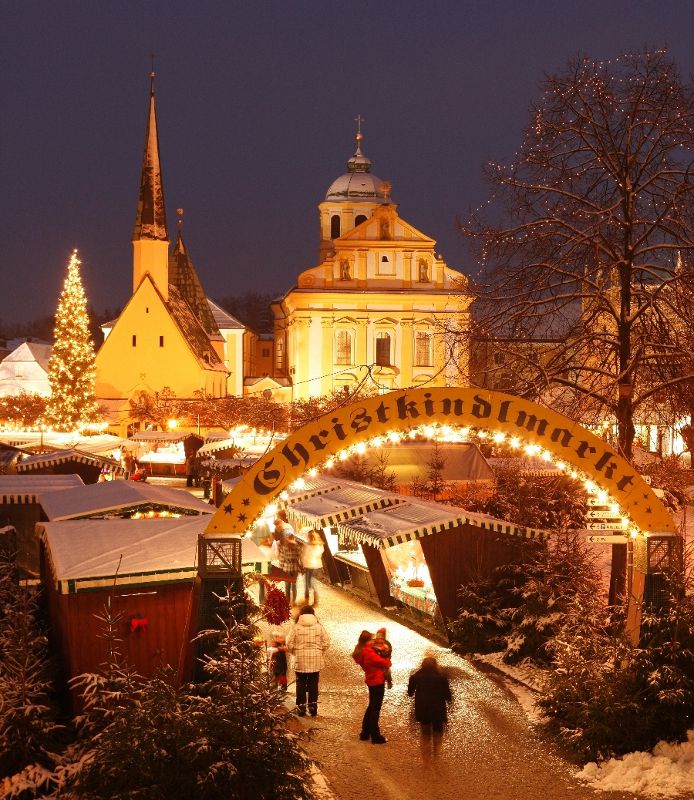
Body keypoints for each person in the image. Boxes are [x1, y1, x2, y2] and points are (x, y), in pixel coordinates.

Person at [286, 605, 330, 717]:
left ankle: (301, 708)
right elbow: (326, 642)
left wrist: (294, 653)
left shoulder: (296, 627)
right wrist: (319, 651)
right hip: (315, 660)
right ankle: (313, 707)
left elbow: (289, 643)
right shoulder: (319, 627)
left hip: (300, 660)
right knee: (313, 684)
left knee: (300, 684)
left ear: (301, 614)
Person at [407, 655, 452, 752]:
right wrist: (449, 700)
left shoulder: (416, 677)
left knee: (425, 730)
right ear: (435, 665)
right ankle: (437, 751)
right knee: (438, 729)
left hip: (423, 708)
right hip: (438, 708)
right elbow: (447, 695)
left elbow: (410, 693)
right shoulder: (441, 677)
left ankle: (426, 751)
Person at [352, 630, 391, 744]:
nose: (373, 641)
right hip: (377, 680)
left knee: (371, 706)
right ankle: (375, 736)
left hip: (371, 679)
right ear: (366, 641)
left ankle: (365, 732)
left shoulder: (363, 651)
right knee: (375, 709)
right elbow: (386, 663)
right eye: (371, 640)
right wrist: (386, 657)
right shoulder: (368, 652)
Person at [277, 531, 302, 604]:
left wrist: (281, 569)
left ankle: (288, 602)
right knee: (294, 586)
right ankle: (294, 601)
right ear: (294, 538)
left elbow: (282, 560)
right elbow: (300, 558)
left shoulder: (284, 548)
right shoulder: (297, 547)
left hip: (286, 569)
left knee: (287, 587)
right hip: (295, 569)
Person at [301, 529, 324, 604]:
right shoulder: (320, 545)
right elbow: (320, 553)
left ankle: (307, 599)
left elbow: (304, 556)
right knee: (313, 582)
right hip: (317, 565)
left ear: (309, 537)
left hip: (308, 566)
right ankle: (315, 599)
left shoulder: (307, 545)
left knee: (308, 583)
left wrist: (302, 564)